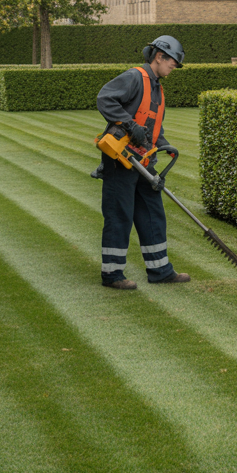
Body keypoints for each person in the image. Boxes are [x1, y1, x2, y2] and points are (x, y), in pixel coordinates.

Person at [92, 35, 191, 290]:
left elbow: (151, 127)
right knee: (119, 214)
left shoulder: (157, 86)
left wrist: (163, 145)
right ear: (159, 57)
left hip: (143, 161)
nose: (174, 68)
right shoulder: (135, 77)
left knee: (152, 213)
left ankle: (160, 270)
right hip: (120, 159)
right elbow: (105, 98)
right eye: (172, 63)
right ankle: (112, 274)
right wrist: (128, 124)